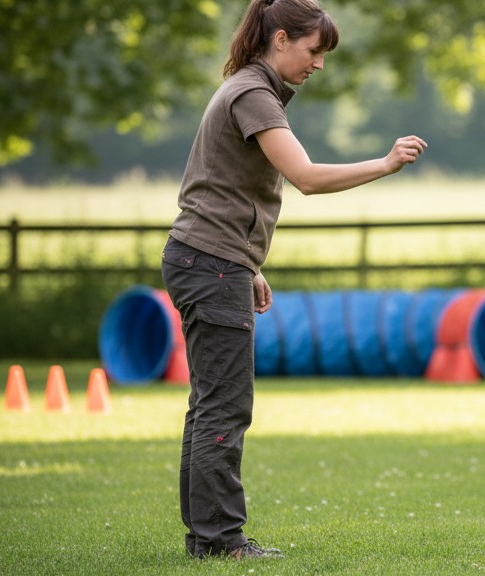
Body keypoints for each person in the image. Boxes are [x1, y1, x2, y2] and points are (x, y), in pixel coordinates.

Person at [161, 0, 426, 560]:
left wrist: (248, 266)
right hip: (210, 264)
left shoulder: (248, 88)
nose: (319, 64)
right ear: (280, 38)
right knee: (225, 407)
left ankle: (206, 539)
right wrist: (384, 164)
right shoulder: (252, 93)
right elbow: (304, 177)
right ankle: (221, 541)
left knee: (209, 404)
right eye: (313, 51)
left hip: (210, 260)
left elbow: (223, 186)